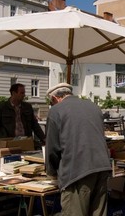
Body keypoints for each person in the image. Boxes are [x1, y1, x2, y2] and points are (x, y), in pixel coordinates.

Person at [45, 83, 111, 215]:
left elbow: (52, 148)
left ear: (54, 98)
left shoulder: (56, 110)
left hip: (77, 172)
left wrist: (51, 172)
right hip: (102, 167)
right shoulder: (93, 106)